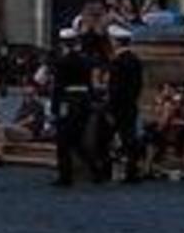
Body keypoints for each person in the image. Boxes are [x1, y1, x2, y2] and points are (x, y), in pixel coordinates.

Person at [50, 28, 99, 187]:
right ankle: (95, 169)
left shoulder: (62, 62)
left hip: (68, 102)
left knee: (63, 141)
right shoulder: (85, 61)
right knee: (77, 141)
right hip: (83, 101)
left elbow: (58, 87)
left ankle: (65, 175)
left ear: (63, 43)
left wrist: (54, 109)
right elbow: (90, 84)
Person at [102, 29, 148, 183]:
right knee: (129, 137)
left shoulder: (117, 61)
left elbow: (114, 87)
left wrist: (109, 106)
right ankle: (132, 171)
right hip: (130, 104)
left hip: (118, 105)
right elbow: (138, 84)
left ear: (116, 42)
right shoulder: (135, 60)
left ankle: (105, 170)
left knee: (105, 137)